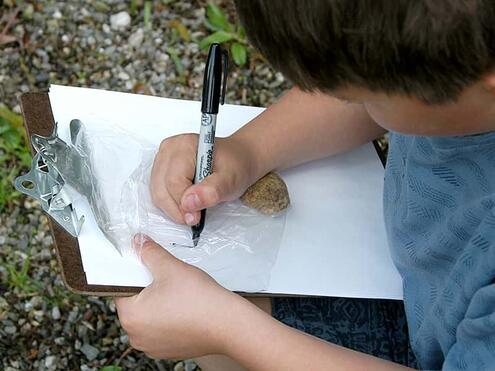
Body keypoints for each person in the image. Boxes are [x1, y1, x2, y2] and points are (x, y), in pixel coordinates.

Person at [114, 1, 495, 369]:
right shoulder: (460, 62)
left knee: (206, 323)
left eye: (360, 94)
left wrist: (227, 329)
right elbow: (377, 84)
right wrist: (249, 150)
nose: (344, 98)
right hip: (422, 298)